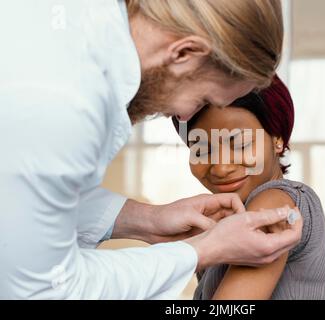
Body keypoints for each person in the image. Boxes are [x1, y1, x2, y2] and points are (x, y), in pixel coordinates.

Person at [0, 0, 302, 299]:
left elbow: (23, 200)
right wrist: (202, 250)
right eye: (201, 99)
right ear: (184, 52)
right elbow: (44, 288)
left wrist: (146, 220)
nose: (184, 118)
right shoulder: (65, 102)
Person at [173, 75, 325, 299]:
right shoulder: (227, 221)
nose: (220, 168)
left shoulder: (272, 203)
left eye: (240, 144)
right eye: (202, 149)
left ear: (277, 138)